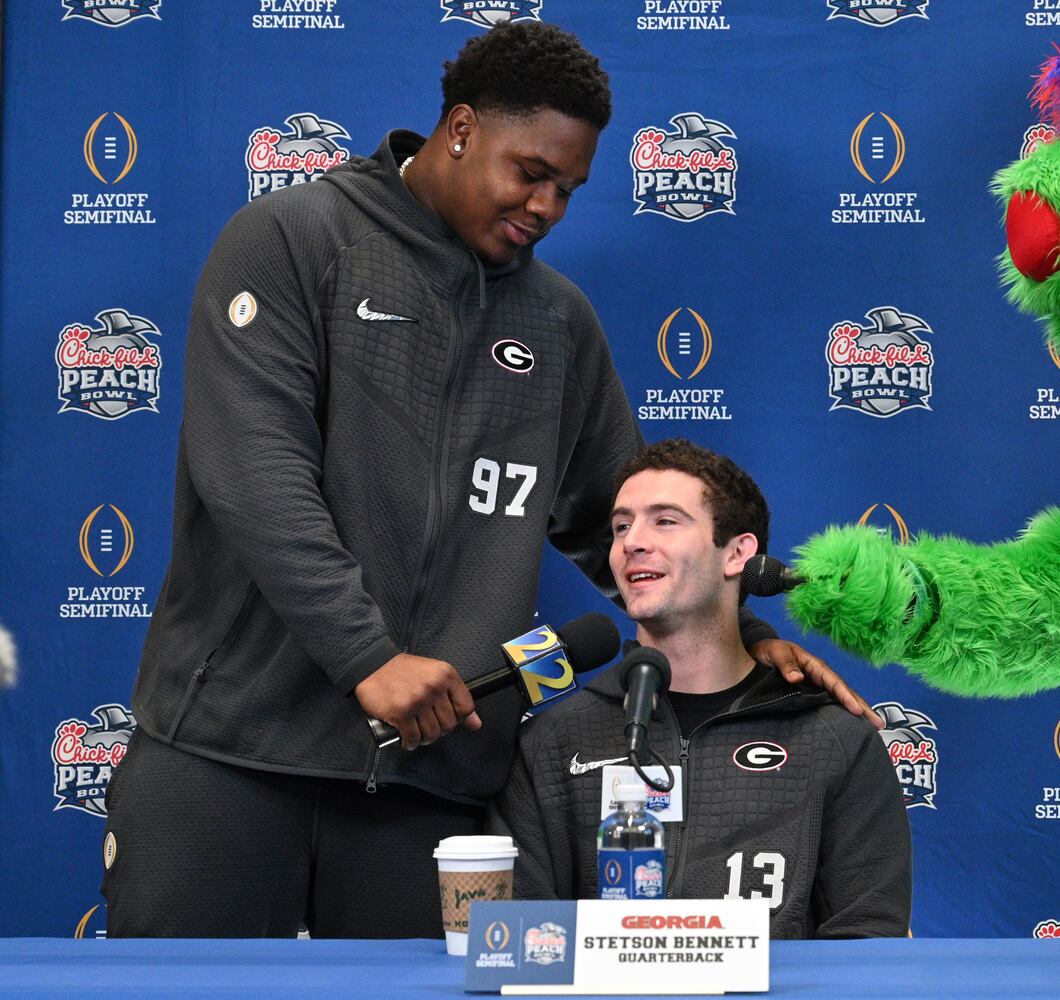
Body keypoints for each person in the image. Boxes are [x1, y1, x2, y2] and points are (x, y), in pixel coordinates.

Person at [102, 23, 869, 940]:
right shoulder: (292, 240)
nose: (547, 205)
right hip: (228, 754)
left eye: (569, 190)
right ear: (459, 129)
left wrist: (738, 632)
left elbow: (616, 525)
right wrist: (368, 659)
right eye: (531, 172)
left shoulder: (558, 322)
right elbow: (254, 474)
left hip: (434, 787)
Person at [497, 440, 912, 938]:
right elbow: (523, 945)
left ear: (738, 553)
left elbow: (868, 942)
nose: (632, 542)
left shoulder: (835, 740)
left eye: (665, 521)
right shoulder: (553, 740)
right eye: (621, 526)